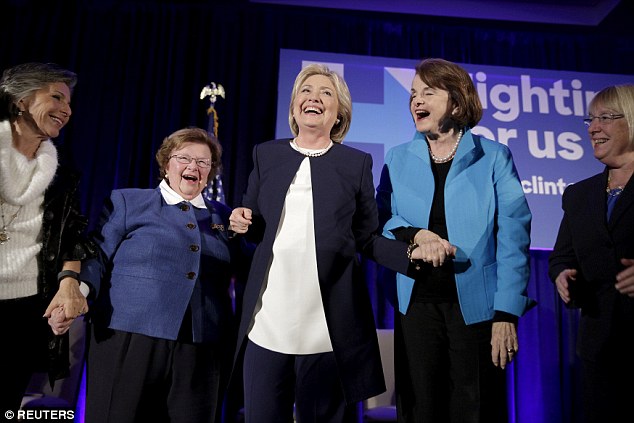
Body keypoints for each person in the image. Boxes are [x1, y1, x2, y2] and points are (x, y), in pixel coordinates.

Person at [228, 63, 421, 423]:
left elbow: (366, 237)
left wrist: (410, 255)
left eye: (325, 93)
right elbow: (254, 224)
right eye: (306, 91)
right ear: (294, 106)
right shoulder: (265, 154)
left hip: (326, 329)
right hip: (268, 321)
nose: (313, 97)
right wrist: (241, 222)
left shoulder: (355, 164)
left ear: (338, 115)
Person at [376, 58, 535, 423]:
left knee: (475, 408)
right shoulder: (397, 158)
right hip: (415, 306)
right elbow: (382, 220)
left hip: (478, 311)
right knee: (420, 410)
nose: (416, 101)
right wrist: (415, 234)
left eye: (428, 93)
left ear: (458, 103)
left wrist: (506, 313)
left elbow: (514, 236)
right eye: (413, 94)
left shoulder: (494, 157)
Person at [81, 127, 242, 422]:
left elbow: (247, 267)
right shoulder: (128, 202)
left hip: (201, 347)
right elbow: (96, 254)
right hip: (129, 335)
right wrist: (78, 293)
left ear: (211, 172)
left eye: (203, 162)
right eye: (184, 158)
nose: (193, 167)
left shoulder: (225, 217)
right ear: (167, 164)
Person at [0, 62, 94, 413]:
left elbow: (73, 234)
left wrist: (69, 280)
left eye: (69, 103)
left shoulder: (63, 175)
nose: (66, 110)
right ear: (21, 100)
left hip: (23, 312)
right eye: (56, 97)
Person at [548, 84, 634, 423]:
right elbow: (561, 256)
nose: (593, 128)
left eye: (606, 118)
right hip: (601, 346)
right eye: (591, 119)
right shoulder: (579, 195)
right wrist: (561, 274)